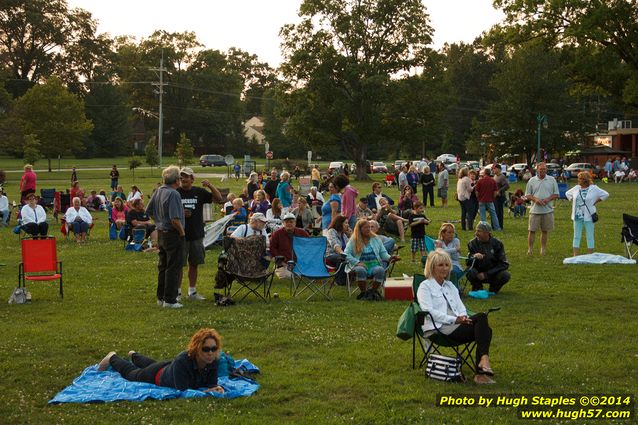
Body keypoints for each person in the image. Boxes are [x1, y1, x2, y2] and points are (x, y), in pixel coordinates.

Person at [417, 250, 496, 384]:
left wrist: (463, 317)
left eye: (447, 265)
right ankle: (481, 369)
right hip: (440, 328)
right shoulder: (425, 287)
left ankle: (483, 364)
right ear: (432, 267)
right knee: (484, 326)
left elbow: (461, 307)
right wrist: (454, 319)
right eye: (440, 265)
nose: (445, 268)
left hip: (458, 325)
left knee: (483, 325)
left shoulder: (450, 285)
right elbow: (428, 310)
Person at [97, 328, 224, 393]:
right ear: (197, 348)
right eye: (206, 349)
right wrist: (208, 392)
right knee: (132, 373)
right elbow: (183, 391)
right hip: (157, 375)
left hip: (169, 367)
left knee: (153, 363)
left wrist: (216, 388)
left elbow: (211, 384)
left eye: (214, 348)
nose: (210, 353)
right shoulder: (183, 361)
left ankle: (134, 355)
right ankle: (112, 357)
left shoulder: (213, 361)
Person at [177, 167, 223, 300]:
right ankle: (178, 292)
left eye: (186, 177)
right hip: (180, 234)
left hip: (196, 234)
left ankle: (192, 292)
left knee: (194, 263)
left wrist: (210, 185)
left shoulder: (199, 192)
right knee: (179, 264)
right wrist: (181, 214)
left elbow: (219, 198)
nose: (183, 179)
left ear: (192, 179)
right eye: (181, 177)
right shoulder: (175, 192)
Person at [145, 165, 186, 309]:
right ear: (176, 180)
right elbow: (175, 219)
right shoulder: (174, 194)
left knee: (163, 266)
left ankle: (161, 297)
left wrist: (159, 222)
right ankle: (170, 300)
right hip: (173, 234)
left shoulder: (158, 191)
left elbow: (148, 210)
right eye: (180, 178)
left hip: (161, 233)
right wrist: (182, 233)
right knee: (173, 267)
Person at [344, 219, 398, 301]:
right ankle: (363, 293)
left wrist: (390, 258)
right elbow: (346, 254)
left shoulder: (375, 239)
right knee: (361, 270)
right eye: (366, 228)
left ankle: (372, 292)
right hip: (358, 265)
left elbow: (383, 253)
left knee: (380, 270)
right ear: (360, 229)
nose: (368, 229)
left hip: (374, 264)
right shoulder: (353, 240)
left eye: (369, 227)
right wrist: (357, 262)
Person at [565, 171, 609, 256]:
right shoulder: (576, 188)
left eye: (580, 179)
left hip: (589, 216)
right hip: (577, 216)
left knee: (590, 236)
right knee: (576, 236)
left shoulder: (594, 188)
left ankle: (590, 255)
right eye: (579, 178)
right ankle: (575, 254)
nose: (579, 180)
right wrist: (573, 201)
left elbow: (605, 194)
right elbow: (567, 193)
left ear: (585, 180)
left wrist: (596, 201)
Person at [524, 162, 559, 256]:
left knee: (545, 230)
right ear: (537, 170)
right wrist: (535, 199)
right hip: (535, 210)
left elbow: (556, 194)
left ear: (546, 170)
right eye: (540, 169)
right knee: (532, 230)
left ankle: (543, 249)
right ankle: (530, 249)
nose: (542, 171)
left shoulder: (552, 180)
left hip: (547, 210)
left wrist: (547, 199)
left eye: (544, 169)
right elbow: (527, 195)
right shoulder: (531, 180)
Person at [466, 221, 510, 294]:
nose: (476, 233)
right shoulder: (472, 243)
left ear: (487, 233)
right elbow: (468, 262)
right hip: (478, 272)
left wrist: (487, 274)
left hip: (493, 273)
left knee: (505, 275)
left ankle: (494, 289)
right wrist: (473, 256)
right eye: (476, 230)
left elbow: (504, 264)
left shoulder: (497, 243)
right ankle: (477, 287)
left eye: (479, 231)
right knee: (469, 271)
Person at [270, 212, 309, 277]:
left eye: (291, 222)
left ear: (295, 223)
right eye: (286, 222)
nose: (289, 224)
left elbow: (309, 246)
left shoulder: (302, 233)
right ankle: (278, 268)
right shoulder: (277, 234)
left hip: (300, 263)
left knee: (305, 274)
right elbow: (272, 248)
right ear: (283, 223)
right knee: (286, 276)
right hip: (284, 263)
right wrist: (280, 261)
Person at [493, 165, 509, 230]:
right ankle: (496, 225)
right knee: (495, 211)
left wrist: (499, 191)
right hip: (495, 196)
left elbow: (507, 186)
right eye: (493, 169)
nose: (493, 170)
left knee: (499, 211)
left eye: (495, 169)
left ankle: (500, 226)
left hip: (500, 196)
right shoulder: (495, 176)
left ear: (499, 169)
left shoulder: (502, 176)